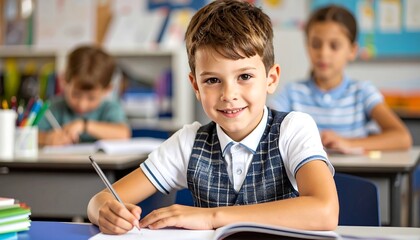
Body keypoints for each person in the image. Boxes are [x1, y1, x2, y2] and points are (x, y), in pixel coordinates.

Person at [87, 0, 338, 234]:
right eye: (212, 80)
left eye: (245, 77)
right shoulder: (188, 142)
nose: (229, 94)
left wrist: (211, 217)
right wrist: (104, 211)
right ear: (196, 86)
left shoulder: (293, 128)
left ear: (271, 79)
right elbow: (100, 200)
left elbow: (324, 211)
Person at [269, 5, 412, 154]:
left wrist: (348, 143)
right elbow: (266, 129)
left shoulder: (363, 92)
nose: (323, 53)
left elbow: (402, 138)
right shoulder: (292, 92)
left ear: (352, 51)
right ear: (307, 46)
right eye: (316, 44)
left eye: (334, 46)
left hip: (354, 175)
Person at [38, 45, 131, 146]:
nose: (82, 104)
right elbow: (28, 134)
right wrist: (46, 139)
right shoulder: (53, 107)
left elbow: (124, 134)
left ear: (107, 90)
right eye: (75, 95)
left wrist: (84, 125)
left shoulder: (111, 108)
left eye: (91, 98)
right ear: (63, 81)